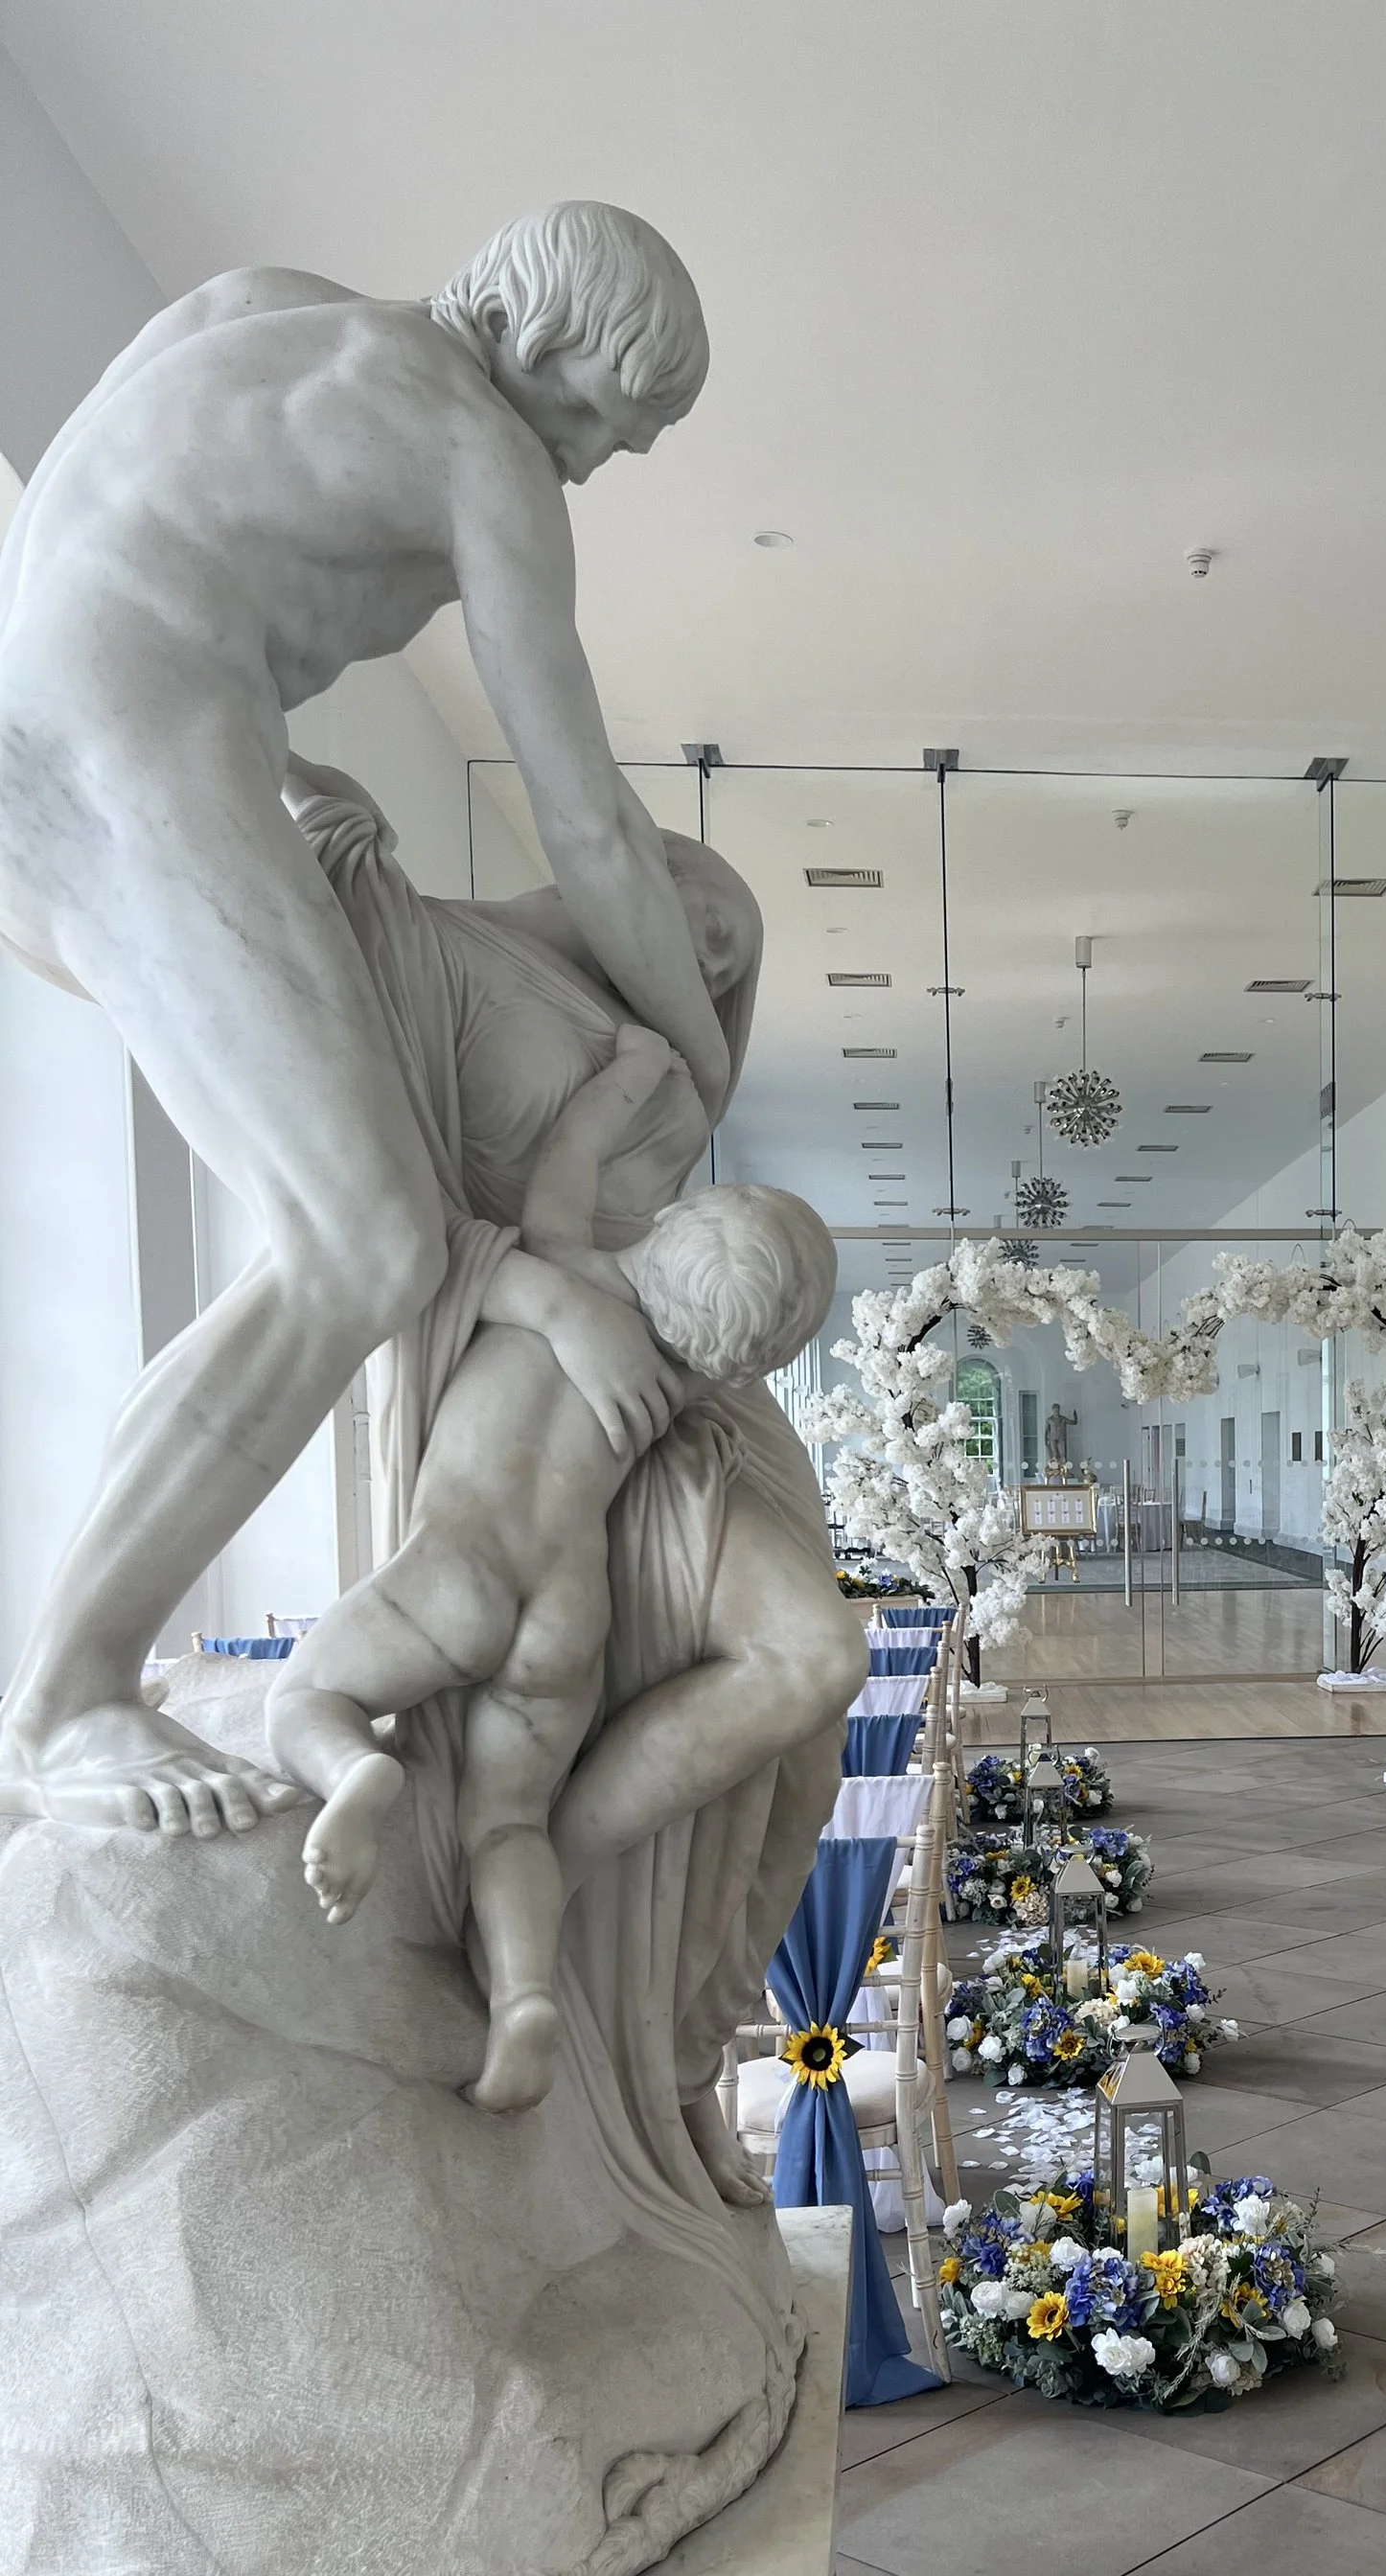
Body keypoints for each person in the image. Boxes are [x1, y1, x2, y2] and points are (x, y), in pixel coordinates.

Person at [0, 202, 723, 1837]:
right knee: (367, 1245)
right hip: (132, 757)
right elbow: (592, 829)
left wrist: (278, 768)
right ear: (544, 351)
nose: (607, 463)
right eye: (615, 420)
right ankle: (64, 1695)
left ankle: (79, 1673)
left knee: (330, 1241)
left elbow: (87, 534)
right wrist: (695, 1056)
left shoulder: (267, 307)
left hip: (48, 753)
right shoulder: (488, 453)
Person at [267, 1032, 837, 2118]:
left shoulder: (565, 1269)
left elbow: (563, 1160)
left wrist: (628, 1073)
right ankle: (526, 1995)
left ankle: (348, 1772)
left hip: (454, 1572)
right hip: (567, 1615)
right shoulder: (673, 1387)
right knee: (508, 1823)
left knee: (306, 1689)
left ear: (669, 1225)